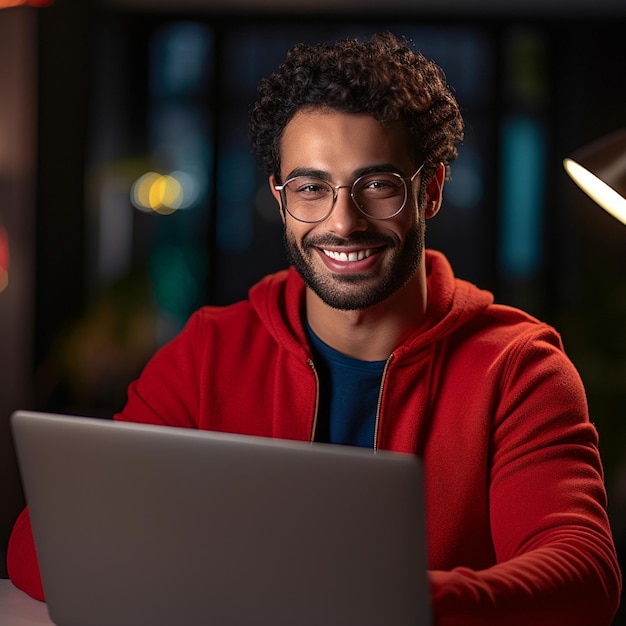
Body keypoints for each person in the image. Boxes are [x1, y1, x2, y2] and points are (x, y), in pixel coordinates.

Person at [7, 32, 621, 624]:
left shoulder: (518, 368)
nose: (342, 222)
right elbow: (40, 547)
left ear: (430, 190)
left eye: (376, 185)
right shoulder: (210, 352)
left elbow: (582, 575)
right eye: (311, 188)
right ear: (280, 197)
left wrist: (386, 602)